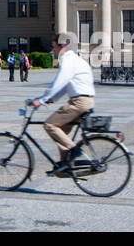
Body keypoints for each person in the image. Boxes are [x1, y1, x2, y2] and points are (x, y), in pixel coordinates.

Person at [30, 32, 96, 176]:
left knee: (50, 125)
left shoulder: (68, 60)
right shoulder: (76, 60)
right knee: (62, 131)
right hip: (86, 100)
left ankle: (74, 151)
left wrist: (40, 100)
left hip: (79, 102)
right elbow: (65, 85)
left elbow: (59, 82)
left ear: (62, 46)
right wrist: (51, 99)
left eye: (54, 46)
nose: (52, 50)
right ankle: (65, 166)